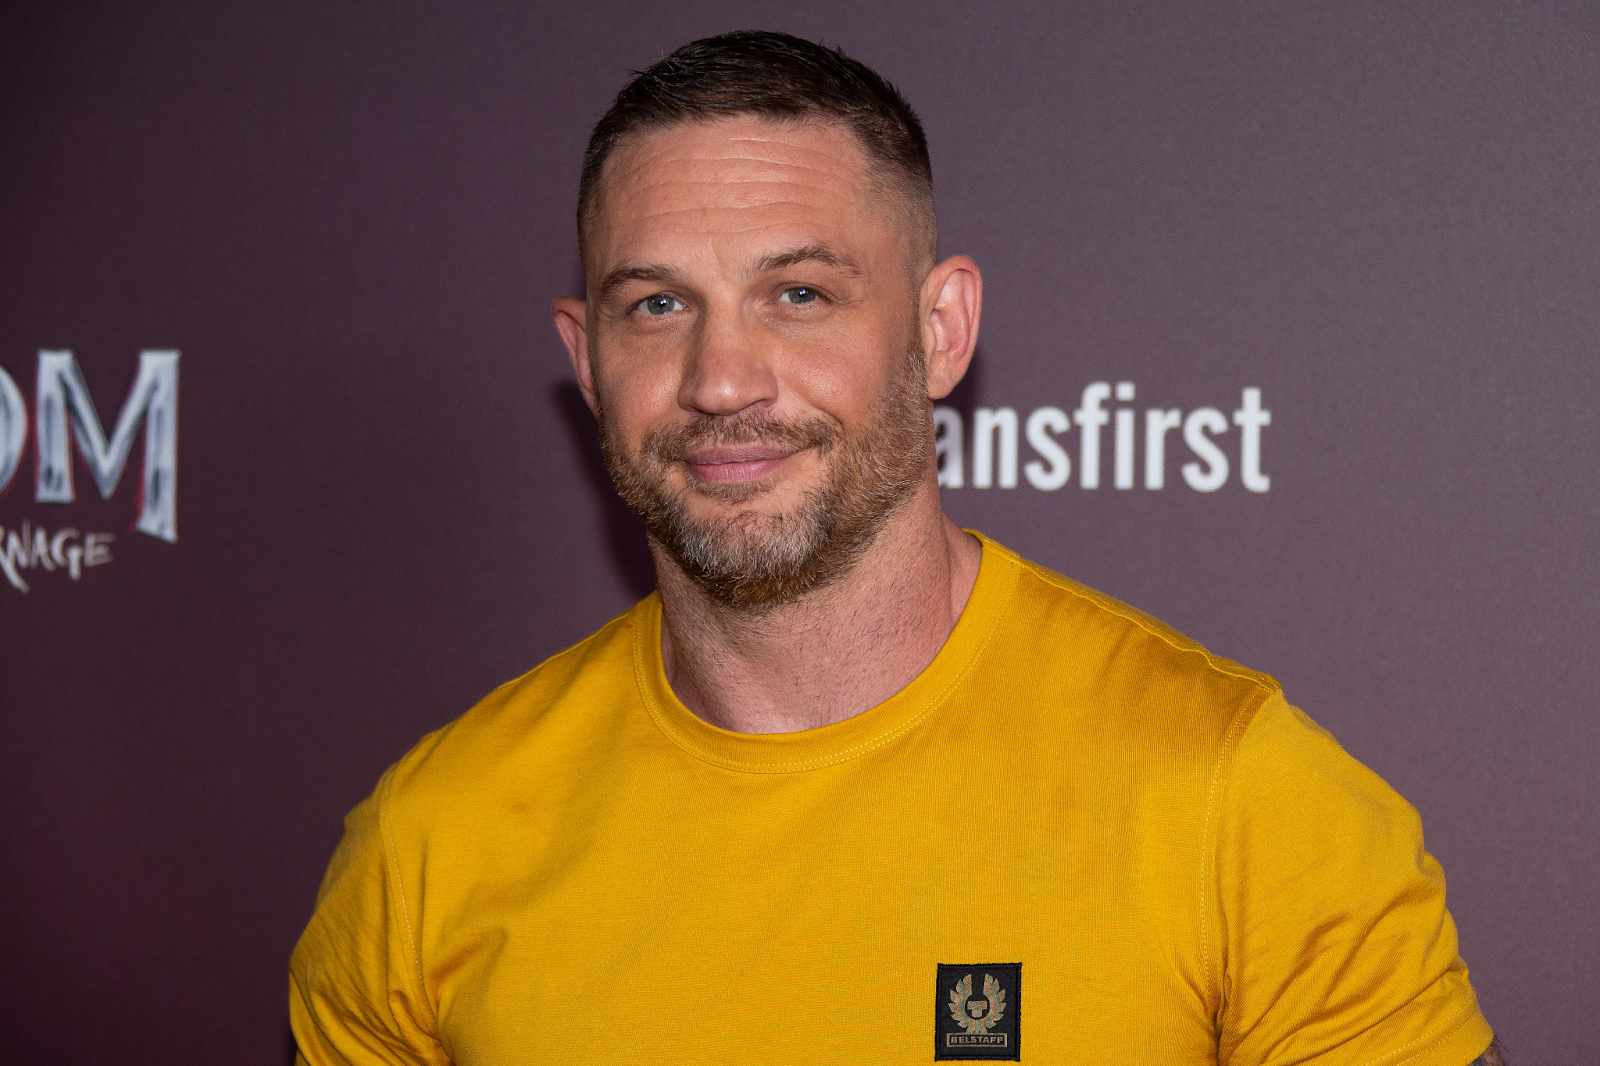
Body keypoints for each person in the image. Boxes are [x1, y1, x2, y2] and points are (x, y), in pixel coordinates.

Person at [290, 30, 1503, 1066]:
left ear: (940, 328)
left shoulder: (1240, 805)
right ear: (586, 359)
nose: (721, 379)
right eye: (656, 305)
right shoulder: (428, 845)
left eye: (798, 294)